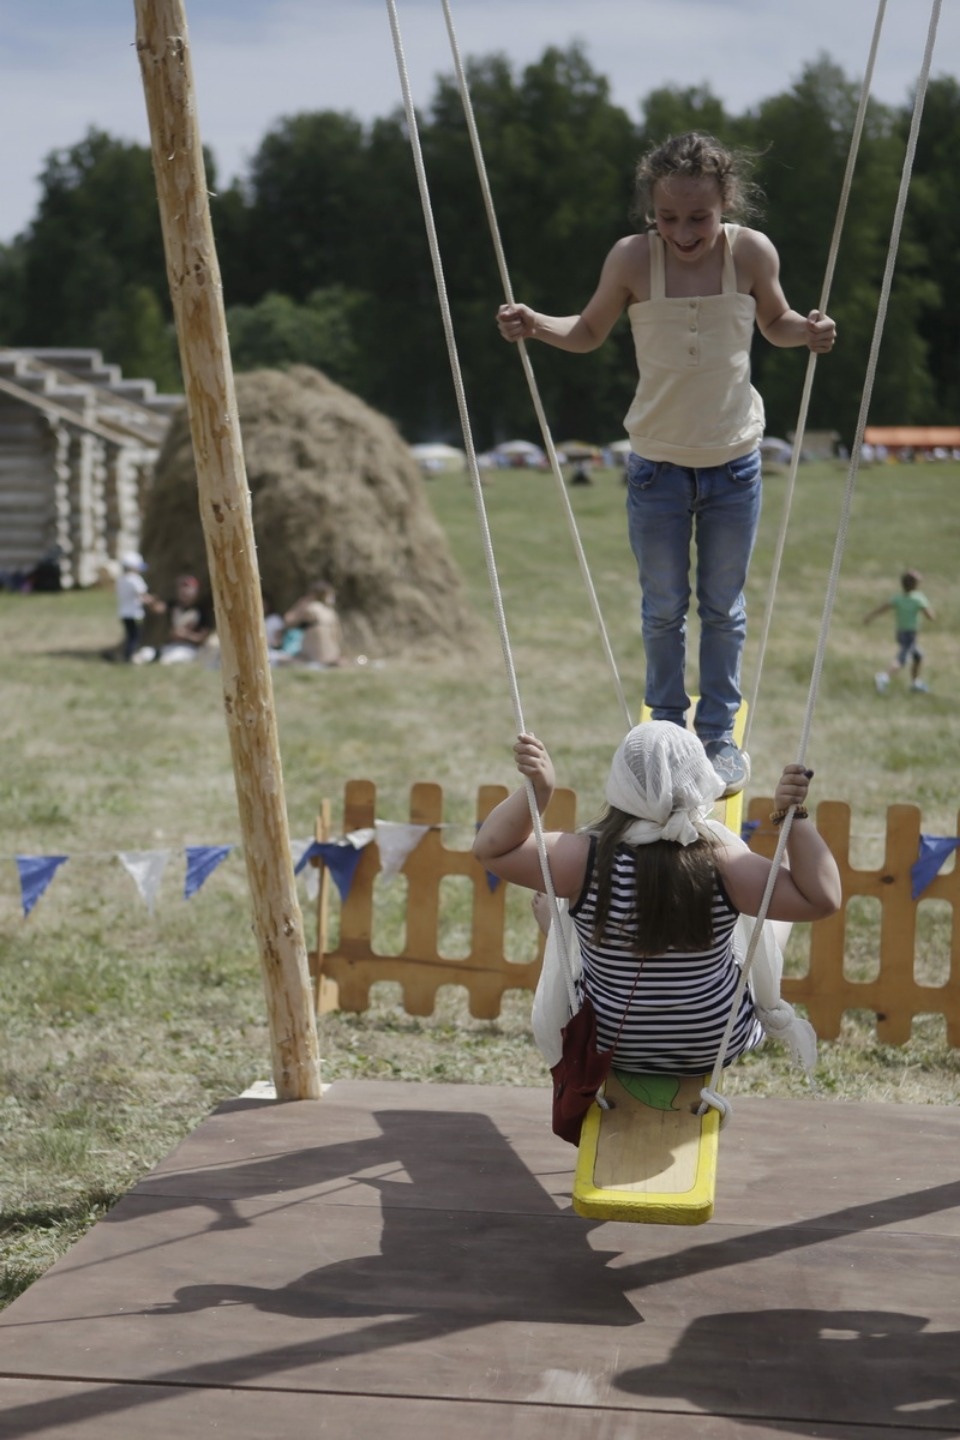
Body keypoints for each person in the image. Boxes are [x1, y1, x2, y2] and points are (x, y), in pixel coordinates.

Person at [496, 132, 837, 796]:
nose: (684, 231)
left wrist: (809, 332)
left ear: (726, 203)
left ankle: (717, 738)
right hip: (656, 466)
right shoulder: (631, 259)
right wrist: (536, 323)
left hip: (734, 462)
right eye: (669, 217)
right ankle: (667, 732)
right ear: (650, 210)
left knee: (722, 608)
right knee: (661, 609)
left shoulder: (751, 254)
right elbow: (590, 331)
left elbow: (776, 323)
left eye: (699, 217)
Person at [473, 723, 841, 1077]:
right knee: (765, 923)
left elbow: (491, 850)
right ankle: (563, 927)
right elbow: (822, 898)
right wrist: (793, 819)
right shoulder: (724, 863)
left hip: (610, 1043)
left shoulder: (583, 858)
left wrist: (539, 791)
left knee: (568, 913)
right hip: (713, 1043)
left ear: (619, 785)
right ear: (701, 783)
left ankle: (560, 928)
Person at [864, 569, 935, 694]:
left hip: (900, 633)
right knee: (902, 659)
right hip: (911, 634)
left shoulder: (897, 598)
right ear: (915, 585)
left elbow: (883, 608)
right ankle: (884, 677)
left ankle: (915, 683)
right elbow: (930, 617)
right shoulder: (919, 598)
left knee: (918, 656)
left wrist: (870, 617)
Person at [283, 580, 345, 668]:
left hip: (315, 655)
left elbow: (288, 621)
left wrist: (300, 604)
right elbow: (338, 635)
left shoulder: (311, 608)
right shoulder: (330, 612)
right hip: (332, 654)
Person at [155, 573, 215, 664]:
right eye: (182, 587)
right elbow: (159, 608)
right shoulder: (174, 605)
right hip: (170, 646)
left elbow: (202, 638)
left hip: (189, 649)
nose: (184, 591)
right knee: (147, 653)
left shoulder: (202, 611)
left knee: (167, 659)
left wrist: (185, 635)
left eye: (188, 588)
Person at [113, 551, 158, 662]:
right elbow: (143, 595)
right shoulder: (135, 579)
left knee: (130, 635)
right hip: (134, 613)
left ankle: (127, 654)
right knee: (135, 636)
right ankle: (130, 656)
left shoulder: (121, 579)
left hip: (123, 612)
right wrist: (154, 602)